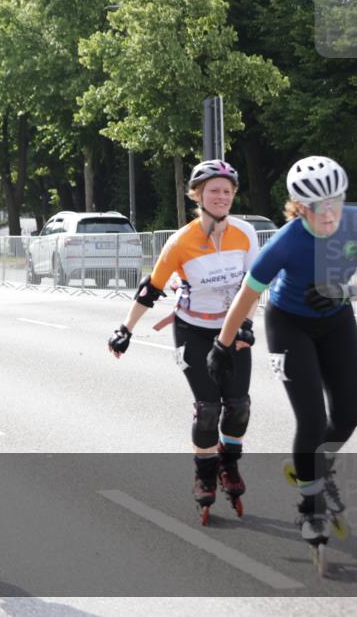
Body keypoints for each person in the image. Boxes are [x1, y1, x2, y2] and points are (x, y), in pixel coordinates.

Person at [208, 156, 357, 565]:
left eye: (335, 203)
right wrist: (222, 344)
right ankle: (311, 507)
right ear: (298, 206)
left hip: (336, 317)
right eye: (316, 207)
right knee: (311, 421)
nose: (328, 215)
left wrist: (344, 292)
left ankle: (317, 465)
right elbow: (247, 295)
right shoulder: (286, 241)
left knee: (349, 415)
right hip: (289, 325)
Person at [108, 160, 259, 525]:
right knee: (209, 409)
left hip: (231, 329)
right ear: (198, 195)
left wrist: (246, 324)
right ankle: (205, 475)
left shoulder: (245, 233)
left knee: (238, 407)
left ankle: (229, 465)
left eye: (227, 191)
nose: (221, 197)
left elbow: (255, 286)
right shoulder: (181, 241)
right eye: (213, 191)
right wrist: (125, 330)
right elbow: (151, 289)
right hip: (193, 331)